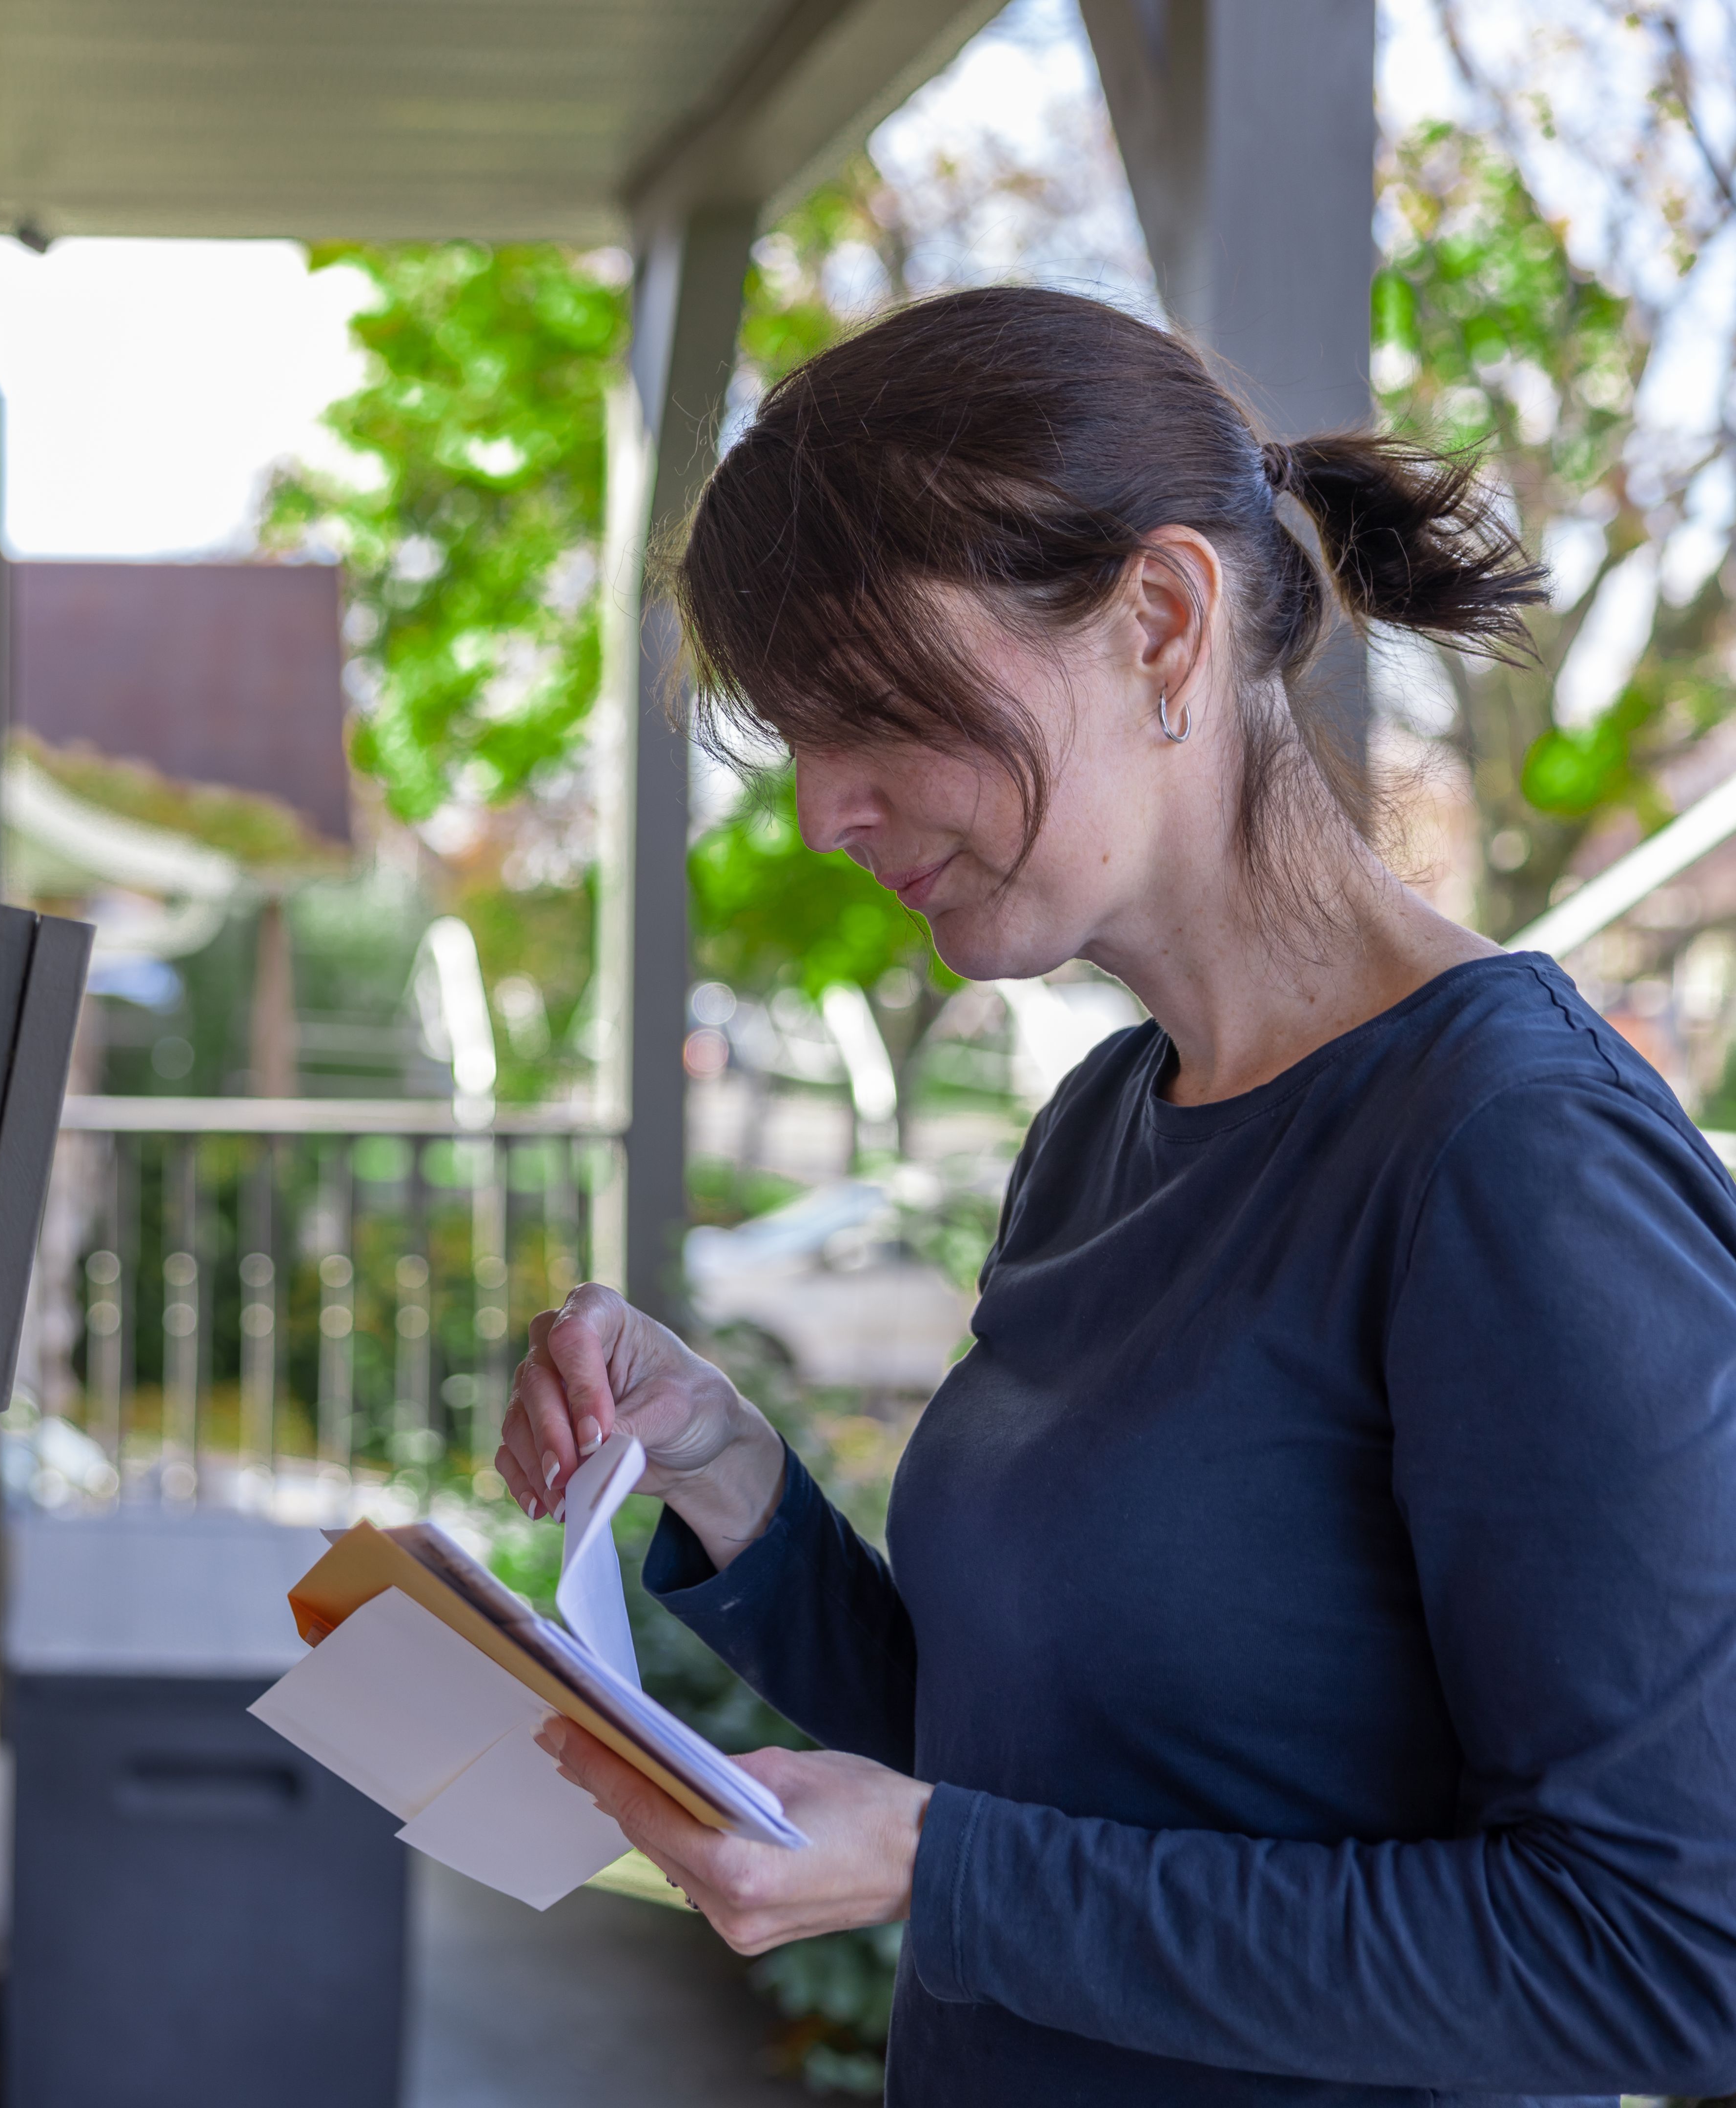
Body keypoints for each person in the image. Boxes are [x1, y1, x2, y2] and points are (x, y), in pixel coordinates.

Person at [495, 285, 1736, 2106]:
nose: (823, 809)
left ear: (1161, 622)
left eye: (873, 709)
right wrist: (733, 1478)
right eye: (794, 734)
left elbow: (1667, 1959)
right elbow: (1044, 1753)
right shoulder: (1103, 1125)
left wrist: (947, 1872)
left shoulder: (1512, 1159)